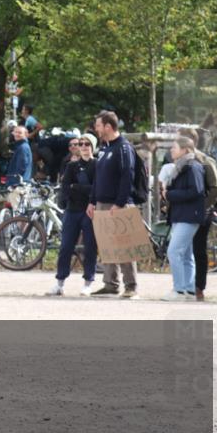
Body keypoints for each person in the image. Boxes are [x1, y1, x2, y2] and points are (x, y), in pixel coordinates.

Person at [86, 111, 139, 298]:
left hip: (117, 204)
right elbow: (97, 178)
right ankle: (110, 283)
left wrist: (120, 202)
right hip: (101, 203)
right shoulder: (103, 148)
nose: (96, 128)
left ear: (108, 126)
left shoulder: (124, 148)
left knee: (124, 246)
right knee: (107, 245)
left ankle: (131, 286)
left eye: (98, 125)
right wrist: (92, 201)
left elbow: (128, 176)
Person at [46, 133, 98, 297]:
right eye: (80, 143)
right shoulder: (71, 166)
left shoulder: (98, 166)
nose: (83, 146)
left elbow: (97, 189)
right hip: (72, 211)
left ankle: (88, 282)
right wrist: (80, 189)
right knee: (65, 247)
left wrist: (78, 188)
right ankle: (60, 282)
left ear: (93, 146)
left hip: (90, 212)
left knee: (90, 247)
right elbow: (66, 188)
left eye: (87, 144)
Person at [177, 129, 217, 301]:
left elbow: (216, 189)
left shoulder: (205, 161)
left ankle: (198, 287)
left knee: (198, 249)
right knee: (181, 249)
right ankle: (183, 287)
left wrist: (201, 207)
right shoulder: (178, 161)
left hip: (201, 213)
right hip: (183, 213)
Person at [161, 136, 206, 301]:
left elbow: (196, 191)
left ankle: (179, 290)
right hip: (181, 214)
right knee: (186, 254)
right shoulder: (181, 167)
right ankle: (189, 290)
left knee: (174, 251)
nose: (171, 150)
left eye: (174, 147)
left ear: (185, 150)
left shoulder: (193, 167)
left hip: (189, 216)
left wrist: (170, 194)